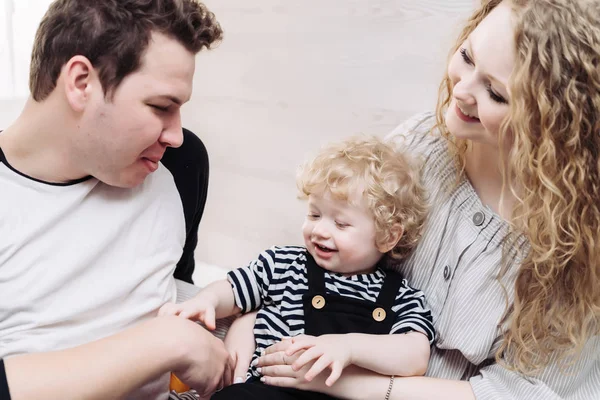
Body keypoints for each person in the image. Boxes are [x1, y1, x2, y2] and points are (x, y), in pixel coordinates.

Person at [250, 0, 600, 399]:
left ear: (555, 119)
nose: (462, 91)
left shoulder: (577, 241)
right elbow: (335, 263)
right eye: (467, 57)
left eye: (496, 94)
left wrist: (342, 383)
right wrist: (256, 318)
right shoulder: (421, 145)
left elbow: (516, 393)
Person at [0, 0, 234, 399]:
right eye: (161, 107)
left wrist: (240, 315)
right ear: (80, 83)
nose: (175, 134)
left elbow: (176, 290)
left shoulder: (180, 164)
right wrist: (167, 344)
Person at [159, 136, 436, 399]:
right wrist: (207, 300)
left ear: (388, 236)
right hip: (267, 391)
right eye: (314, 214)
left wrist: (348, 347)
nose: (320, 231)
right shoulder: (283, 264)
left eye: (341, 224)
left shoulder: (401, 295)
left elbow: (415, 355)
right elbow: (234, 289)